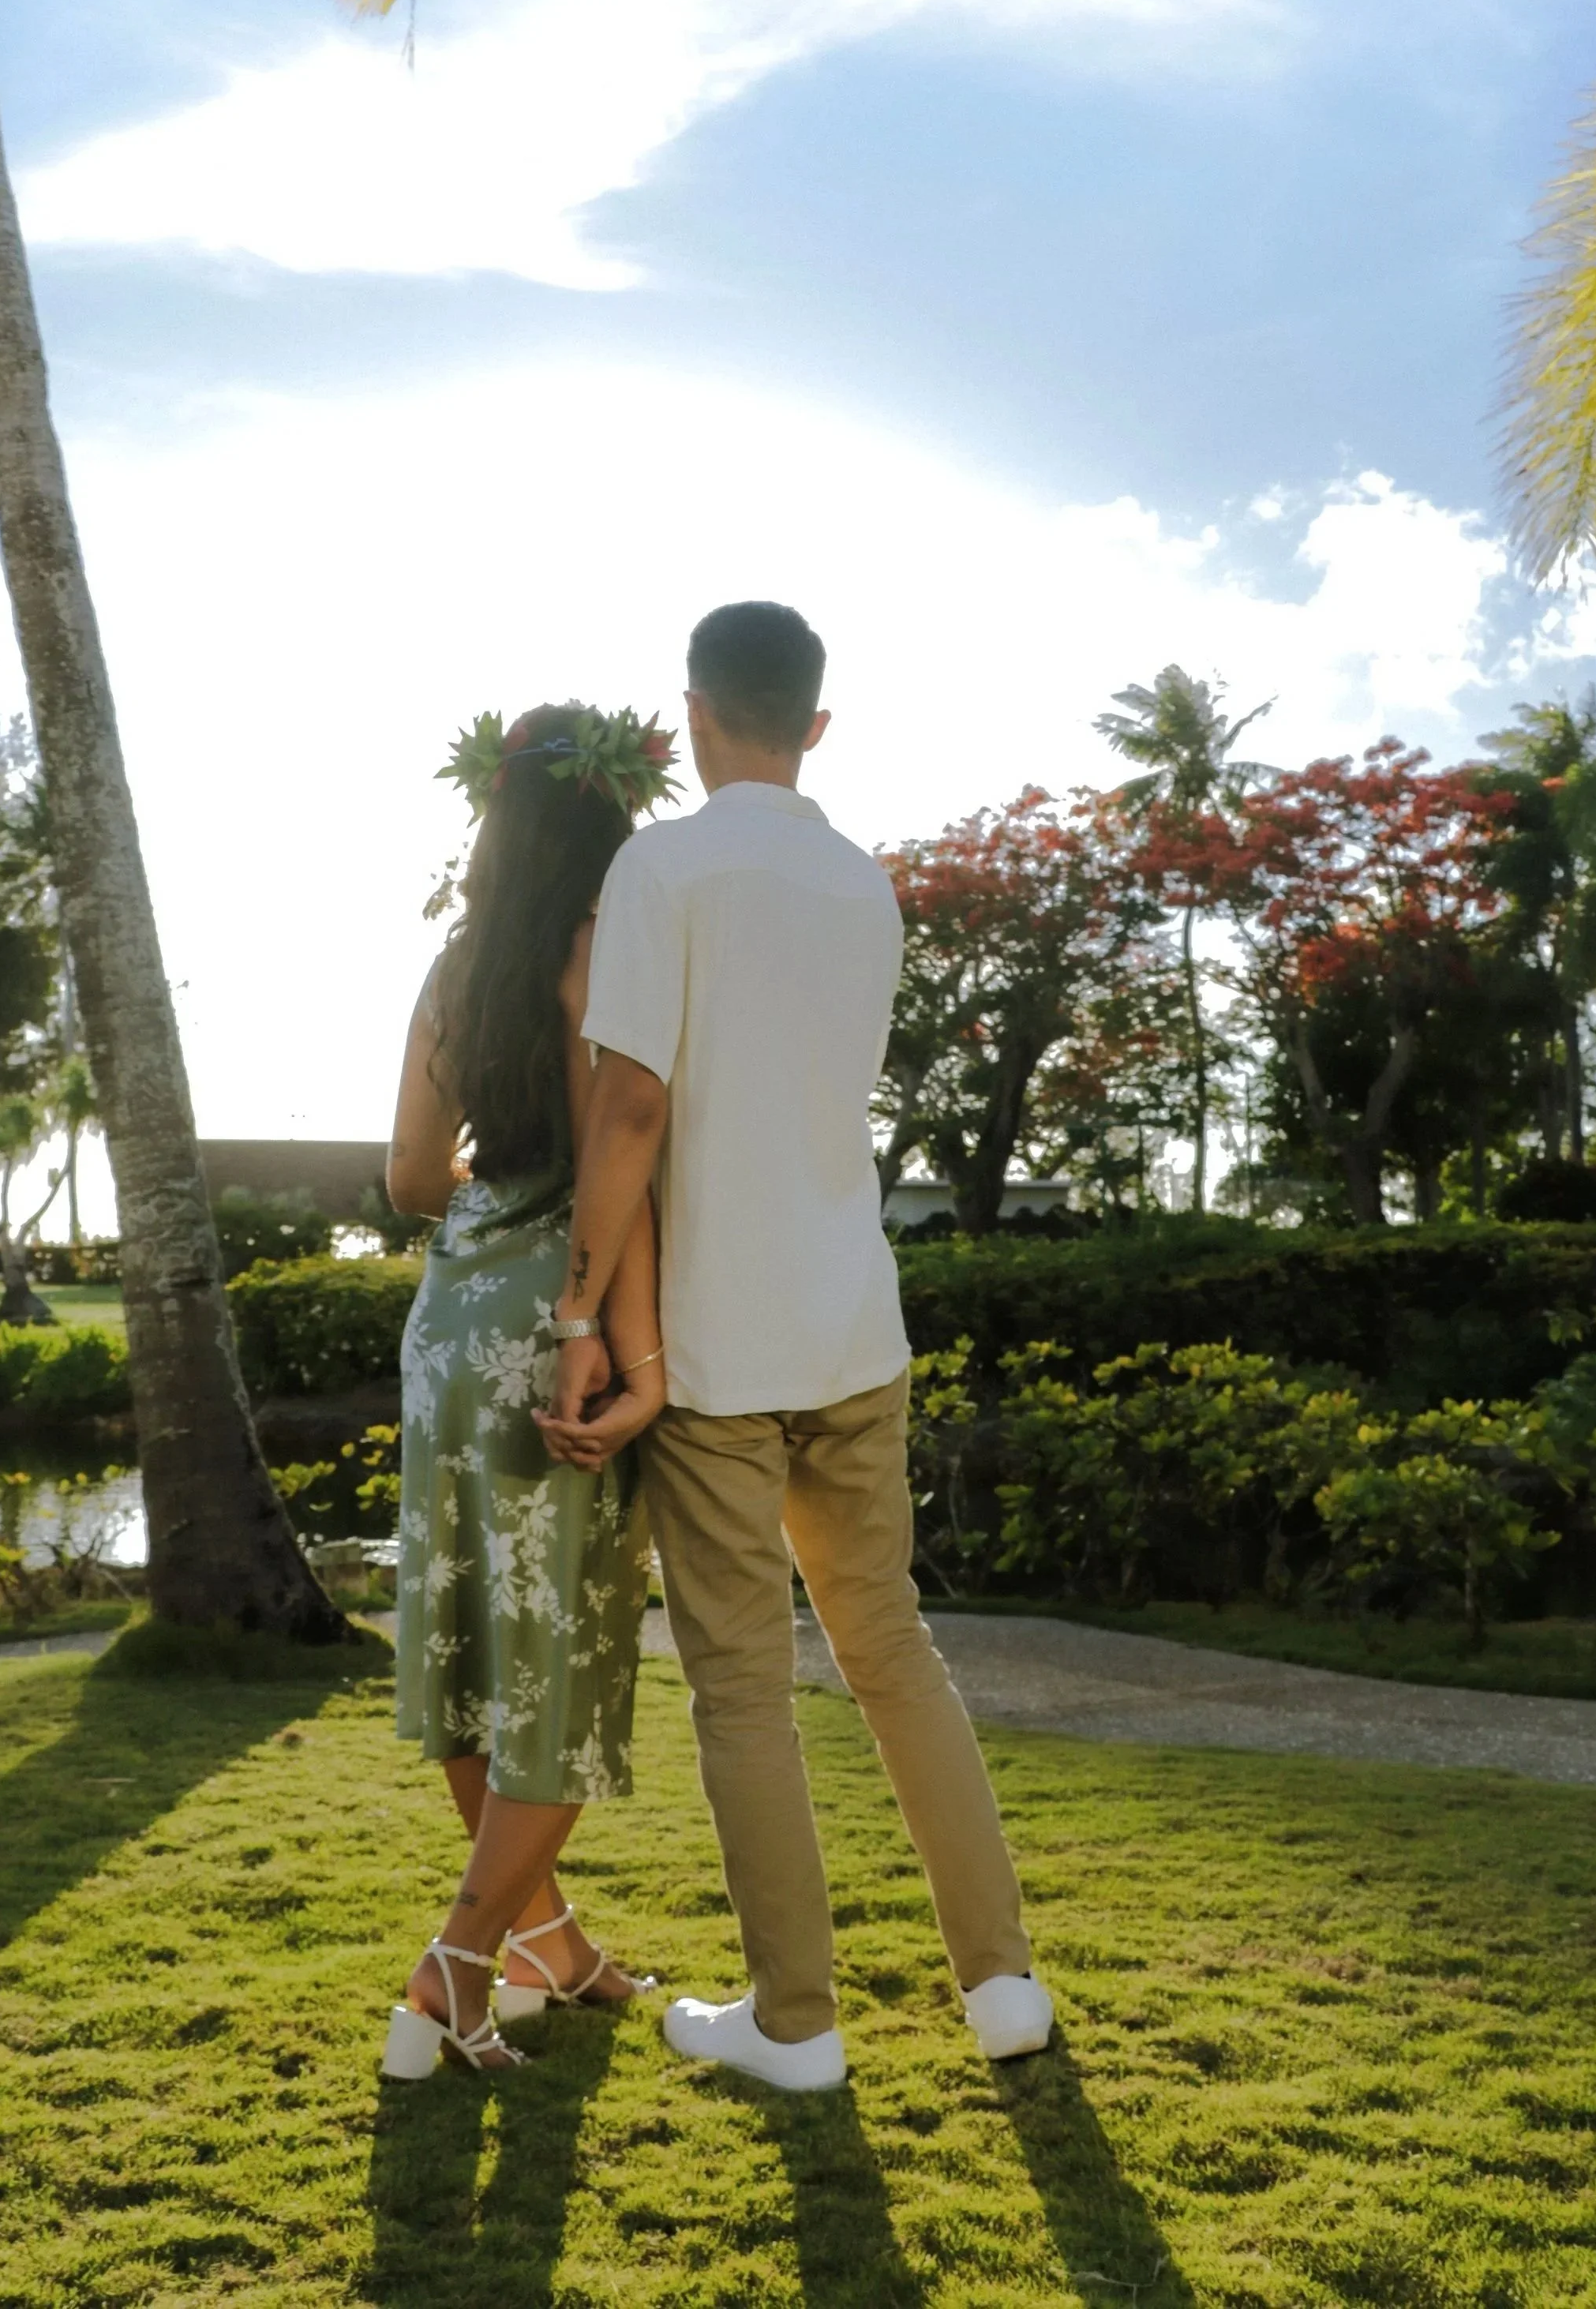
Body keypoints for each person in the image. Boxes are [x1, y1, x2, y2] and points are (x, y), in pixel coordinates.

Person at [537, 602, 1052, 2092]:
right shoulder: (860, 883)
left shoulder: (664, 865)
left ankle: (795, 2022)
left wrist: (581, 1316)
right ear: (815, 724)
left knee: (745, 1689)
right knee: (892, 1650)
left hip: (714, 1347)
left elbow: (629, 1108)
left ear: (693, 710)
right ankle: (1002, 1985)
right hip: (852, 1326)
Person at [378, 703, 676, 2078]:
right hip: (560, 1322)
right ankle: (454, 1966)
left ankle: (552, 1947)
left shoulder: (453, 967)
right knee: (556, 1668)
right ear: (605, 821)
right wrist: (606, 1332)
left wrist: (486, 1210)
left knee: (465, 1656)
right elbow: (620, 1147)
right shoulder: (594, 950)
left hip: (447, 1325)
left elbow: (403, 1182)